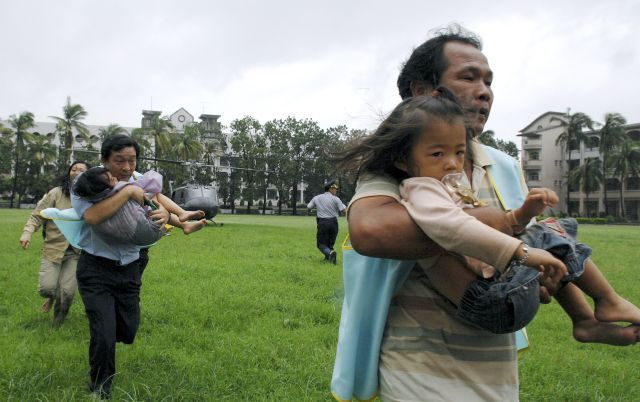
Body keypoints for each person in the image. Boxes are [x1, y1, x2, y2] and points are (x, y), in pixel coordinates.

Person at [331, 24, 640, 402]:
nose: (484, 92)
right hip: (420, 367)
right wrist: (506, 234)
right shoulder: (399, 164)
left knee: (554, 231)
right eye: (468, 77)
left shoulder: (503, 165)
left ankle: (589, 317)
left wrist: (536, 273)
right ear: (422, 91)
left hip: (495, 361)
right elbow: (373, 232)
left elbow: (542, 246)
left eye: (489, 81)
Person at [343, 91, 640, 336]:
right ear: (403, 161)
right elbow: (455, 228)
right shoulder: (422, 189)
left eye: (459, 153)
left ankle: (587, 320)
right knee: (553, 231)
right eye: (437, 154)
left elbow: (479, 226)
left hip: (493, 296)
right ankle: (606, 301)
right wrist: (520, 253)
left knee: (548, 234)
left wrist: (523, 215)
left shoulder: (442, 186)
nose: (451, 163)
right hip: (489, 302)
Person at [71, 134, 175, 399]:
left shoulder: (139, 179)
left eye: (132, 160)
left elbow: (159, 203)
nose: (127, 168)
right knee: (104, 334)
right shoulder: (88, 183)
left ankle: (108, 332)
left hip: (130, 267)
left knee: (128, 330)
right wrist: (127, 191)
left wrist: (167, 215)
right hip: (96, 269)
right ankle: (99, 389)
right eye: (120, 161)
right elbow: (93, 216)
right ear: (105, 160)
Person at [19, 161, 89, 326]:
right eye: (74, 169)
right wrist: (27, 233)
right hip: (53, 248)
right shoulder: (55, 193)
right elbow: (37, 215)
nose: (77, 172)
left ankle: (57, 325)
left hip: (77, 252)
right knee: (47, 288)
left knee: (68, 293)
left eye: (82, 170)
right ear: (68, 173)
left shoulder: (91, 196)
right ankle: (51, 298)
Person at [73, 166, 206, 246]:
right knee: (156, 195)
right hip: (147, 226)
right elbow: (149, 185)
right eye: (111, 178)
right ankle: (182, 215)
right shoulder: (118, 188)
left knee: (156, 203)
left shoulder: (92, 195)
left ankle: (185, 224)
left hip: (137, 233)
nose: (115, 177)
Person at [307, 179, 347, 264]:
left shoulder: (317, 198)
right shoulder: (336, 199)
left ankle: (330, 253)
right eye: (335, 189)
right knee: (330, 243)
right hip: (334, 223)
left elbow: (309, 206)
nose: (336, 190)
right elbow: (344, 211)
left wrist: (310, 211)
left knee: (321, 244)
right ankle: (329, 258)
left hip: (323, 223)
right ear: (330, 189)